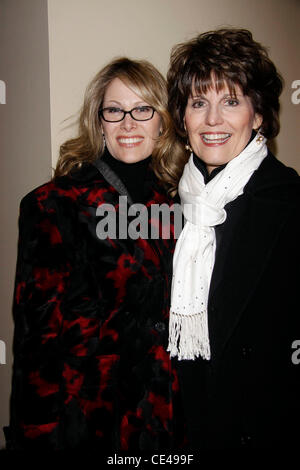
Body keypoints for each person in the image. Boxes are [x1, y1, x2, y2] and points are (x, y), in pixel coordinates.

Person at [6, 57, 185, 451]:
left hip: (169, 421)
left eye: (142, 109)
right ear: (99, 121)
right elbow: (37, 347)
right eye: (114, 110)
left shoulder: (180, 201)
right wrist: (36, 437)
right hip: (91, 426)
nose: (128, 123)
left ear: (163, 120)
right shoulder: (56, 205)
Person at [166, 28, 300, 449]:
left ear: (258, 115)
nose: (212, 121)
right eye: (198, 103)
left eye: (231, 102)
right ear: (182, 117)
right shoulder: (167, 204)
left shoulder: (291, 202)